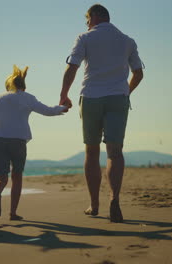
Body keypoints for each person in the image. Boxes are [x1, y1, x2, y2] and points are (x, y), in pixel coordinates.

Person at [59, 4, 144, 223]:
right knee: (115, 152)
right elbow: (138, 73)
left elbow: (72, 67)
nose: (86, 24)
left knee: (92, 152)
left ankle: (94, 204)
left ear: (95, 16)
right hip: (118, 98)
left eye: (87, 19)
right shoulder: (127, 40)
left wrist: (64, 94)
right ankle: (114, 199)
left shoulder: (84, 38)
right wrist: (126, 91)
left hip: (91, 97)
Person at [0, 65, 70, 220]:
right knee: (17, 176)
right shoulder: (28, 98)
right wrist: (63, 108)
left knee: (1, 177)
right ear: (23, 86)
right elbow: (47, 111)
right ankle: (13, 213)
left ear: (8, 86)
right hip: (18, 141)